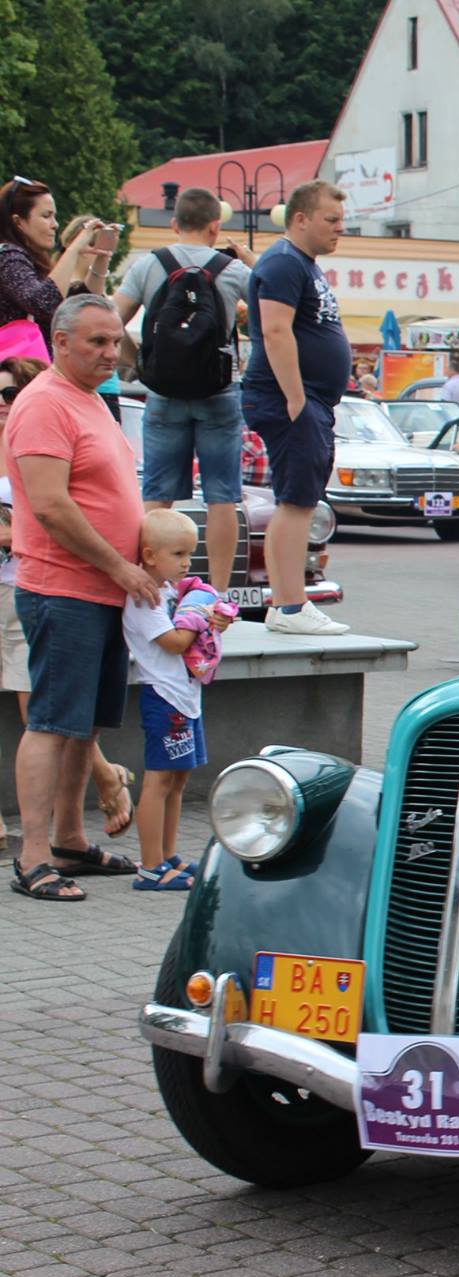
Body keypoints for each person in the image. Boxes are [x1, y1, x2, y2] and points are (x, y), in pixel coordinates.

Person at [4, 295, 164, 900]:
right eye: (96, 341)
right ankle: (33, 858)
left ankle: (70, 840)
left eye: (115, 341)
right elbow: (50, 505)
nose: (110, 352)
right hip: (63, 588)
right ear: (61, 342)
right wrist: (119, 566)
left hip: (103, 590)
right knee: (50, 722)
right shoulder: (45, 402)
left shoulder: (89, 398)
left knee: (82, 727)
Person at [113, 187, 254, 596]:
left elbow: (111, 319)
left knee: (156, 497)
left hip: (164, 392)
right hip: (219, 392)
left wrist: (138, 362)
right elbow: (277, 306)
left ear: (175, 224)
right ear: (215, 226)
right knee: (222, 498)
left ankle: (147, 587)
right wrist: (250, 261)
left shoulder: (149, 265)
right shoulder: (232, 270)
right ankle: (219, 595)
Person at [242, 180, 352, 635]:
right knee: (296, 501)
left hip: (308, 398)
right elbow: (275, 330)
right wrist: (295, 398)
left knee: (298, 500)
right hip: (291, 397)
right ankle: (290, 607)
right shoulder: (286, 262)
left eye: (342, 220)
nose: (339, 228)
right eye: (331, 219)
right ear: (301, 219)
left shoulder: (295, 263)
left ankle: (286, 605)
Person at [122, 509, 232, 890]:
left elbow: (196, 624)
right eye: (178, 554)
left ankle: (168, 855)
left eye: (190, 554)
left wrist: (215, 619)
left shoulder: (171, 591)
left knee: (179, 779)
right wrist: (202, 619)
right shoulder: (144, 599)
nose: (187, 563)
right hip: (163, 696)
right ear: (150, 556)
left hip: (185, 696)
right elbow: (174, 642)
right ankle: (150, 866)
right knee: (159, 779)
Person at [0, 179, 112, 357]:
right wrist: (74, 249)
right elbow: (43, 304)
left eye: (54, 216)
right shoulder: (8, 256)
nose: (55, 224)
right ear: (18, 222)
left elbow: (82, 304)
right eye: (46, 216)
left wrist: (102, 256)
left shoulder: (30, 260)